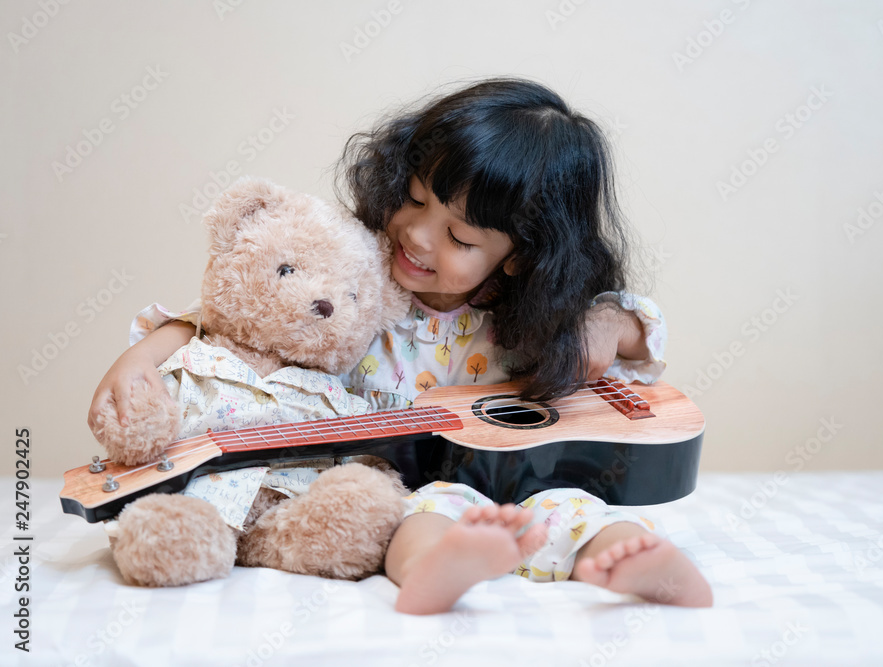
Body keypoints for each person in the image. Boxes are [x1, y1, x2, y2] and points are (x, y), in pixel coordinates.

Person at [88, 77, 713, 614]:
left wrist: (605, 326)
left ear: (522, 257)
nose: (415, 235)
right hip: (407, 484)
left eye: (459, 237)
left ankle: (627, 555)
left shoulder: (531, 314)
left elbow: (637, 332)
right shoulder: (357, 274)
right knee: (420, 517)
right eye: (415, 199)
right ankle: (440, 572)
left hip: (524, 472)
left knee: (573, 507)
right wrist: (143, 356)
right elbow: (241, 317)